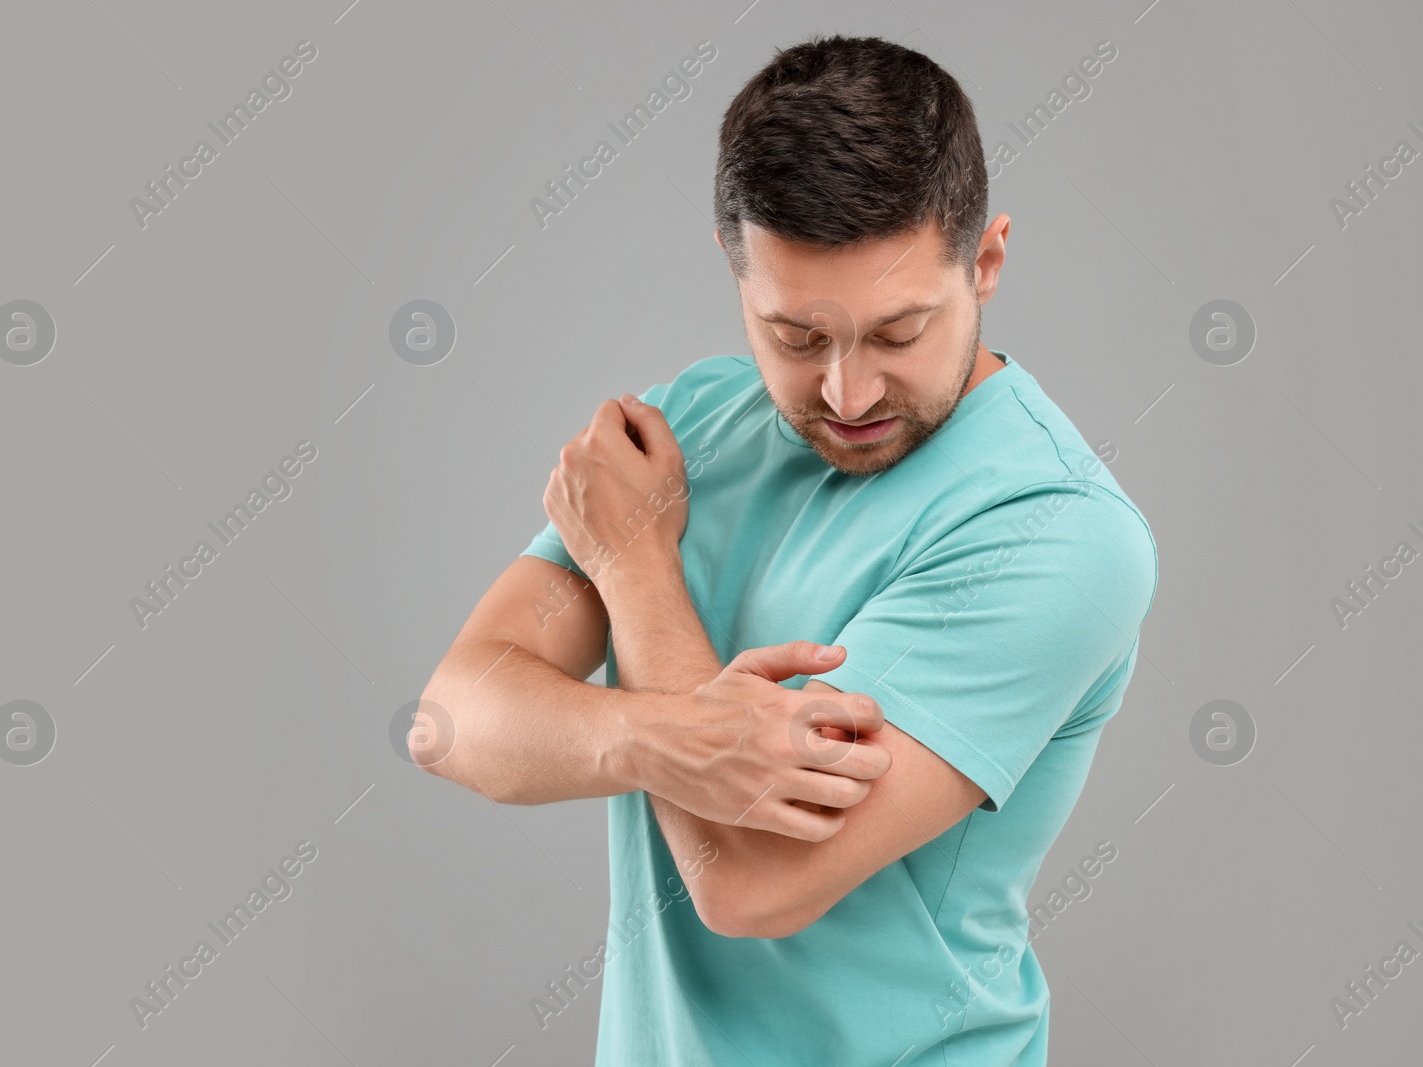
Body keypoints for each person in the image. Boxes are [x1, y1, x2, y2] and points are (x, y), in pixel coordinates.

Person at [419, 33, 1159, 1066]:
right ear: (736, 277)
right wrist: (668, 739)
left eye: (897, 333)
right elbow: (454, 719)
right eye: (797, 338)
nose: (848, 394)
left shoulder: (1058, 531)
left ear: (984, 261)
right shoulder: (695, 422)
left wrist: (633, 562)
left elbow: (750, 877)